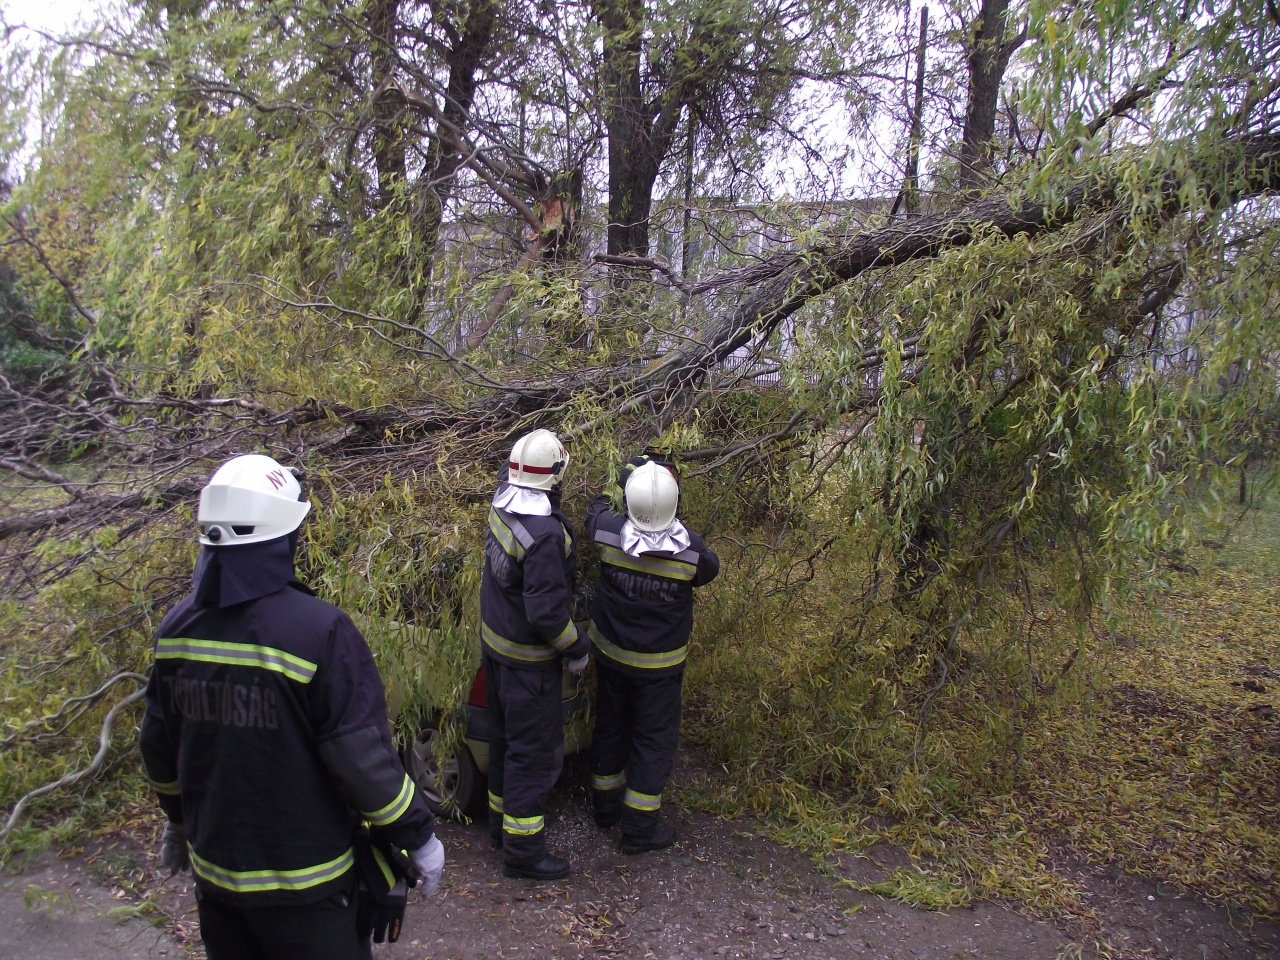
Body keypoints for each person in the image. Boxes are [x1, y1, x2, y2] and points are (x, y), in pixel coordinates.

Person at [139, 454, 444, 960]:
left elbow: (159, 748)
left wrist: (177, 819)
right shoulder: (320, 632)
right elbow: (362, 762)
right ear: (285, 536)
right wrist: (420, 837)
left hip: (217, 885)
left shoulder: (176, 630)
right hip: (310, 895)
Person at [585, 456, 719, 854]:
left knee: (610, 728)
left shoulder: (608, 533)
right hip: (659, 671)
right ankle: (639, 829)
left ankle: (604, 810)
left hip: (611, 658)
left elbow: (596, 508)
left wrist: (626, 473)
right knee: (653, 741)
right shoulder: (692, 553)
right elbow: (709, 569)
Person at [480, 428, 590, 881]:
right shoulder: (544, 535)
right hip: (528, 665)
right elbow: (546, 611)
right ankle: (523, 853)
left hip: (497, 652)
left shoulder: (500, 507)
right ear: (555, 477)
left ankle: (499, 828)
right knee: (534, 754)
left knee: (504, 741)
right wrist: (577, 648)